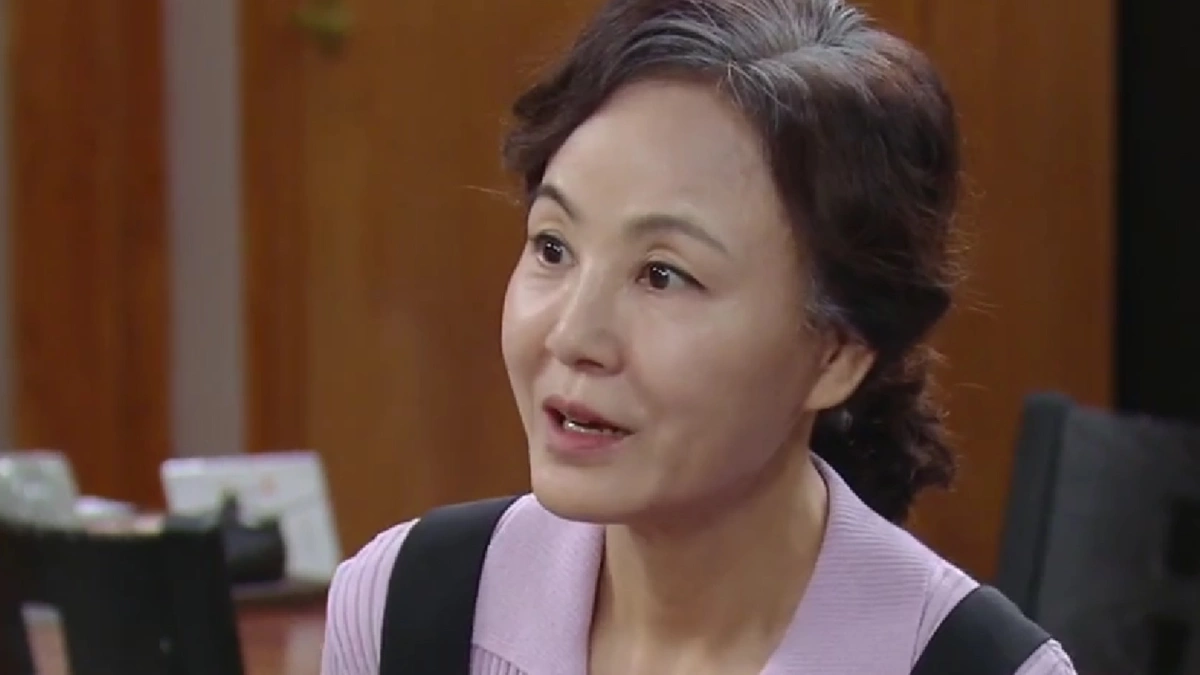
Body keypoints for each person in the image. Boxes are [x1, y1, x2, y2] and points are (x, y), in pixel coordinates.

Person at [321, 0, 1076, 673]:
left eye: (662, 275)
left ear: (837, 351)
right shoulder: (402, 612)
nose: (573, 334)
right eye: (553, 247)